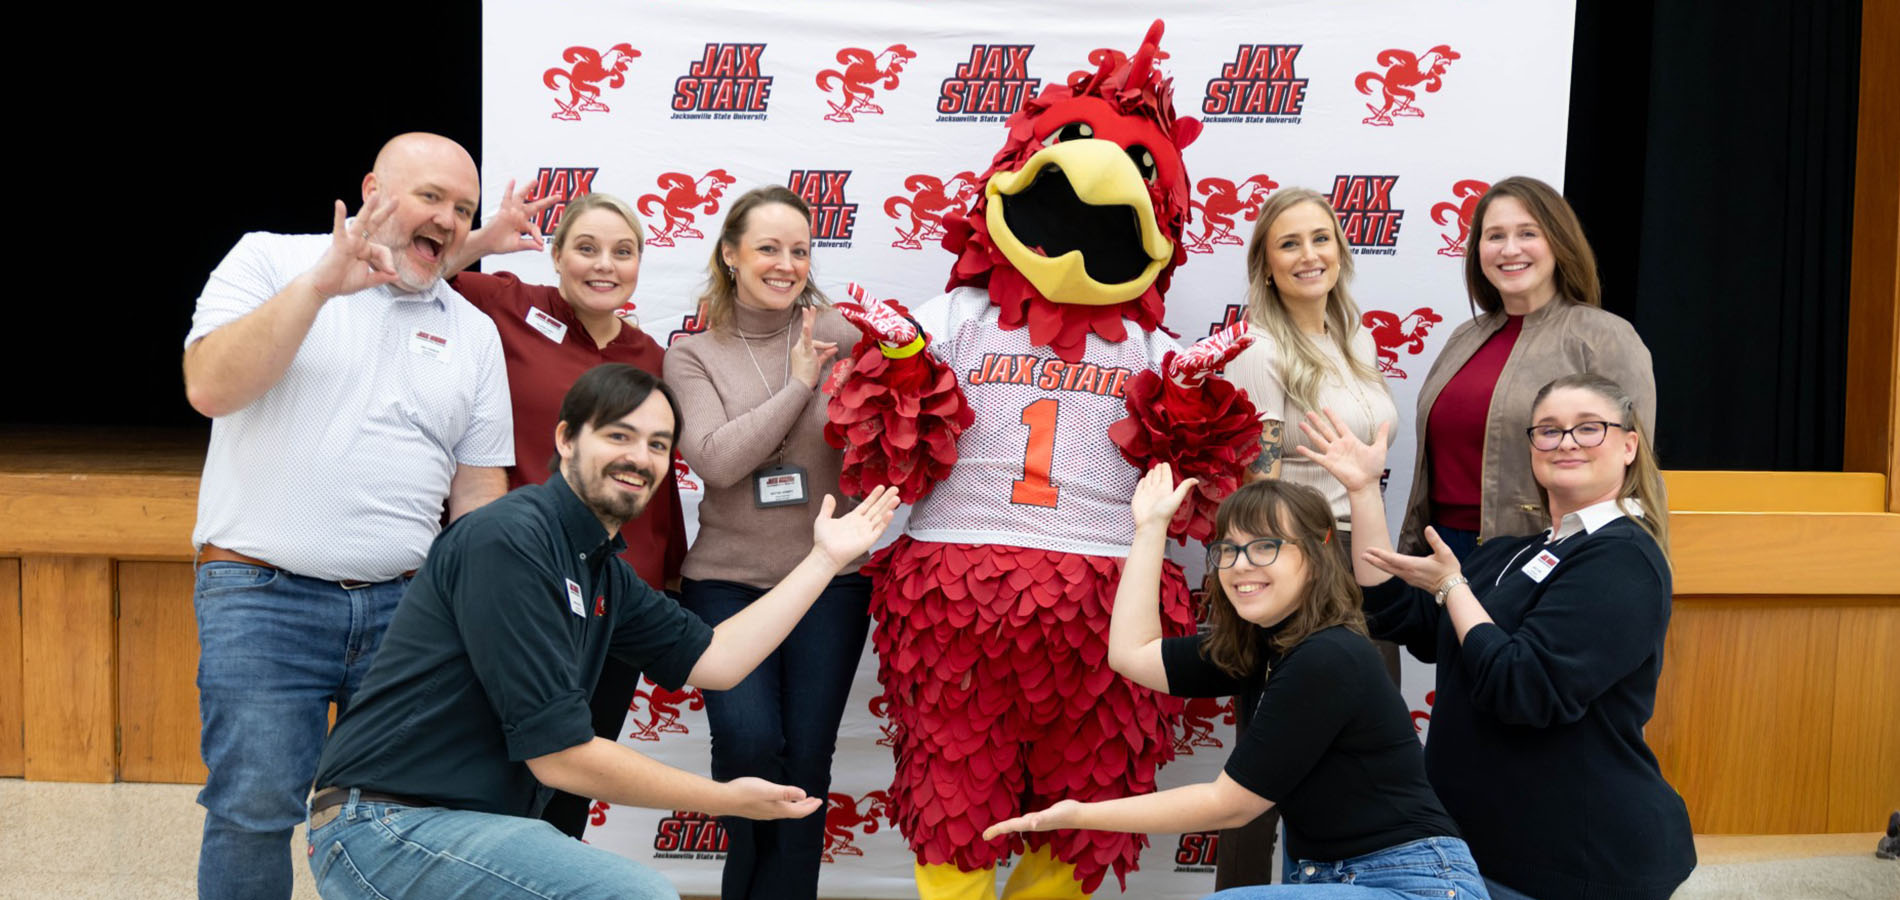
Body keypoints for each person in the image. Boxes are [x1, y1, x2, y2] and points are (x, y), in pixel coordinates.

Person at [306, 363, 902, 900]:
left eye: (658, 445)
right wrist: (725, 799)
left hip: (473, 828)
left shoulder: (600, 570)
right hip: (386, 824)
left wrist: (824, 560)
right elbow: (561, 759)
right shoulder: (511, 540)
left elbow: (719, 659)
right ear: (566, 439)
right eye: (619, 435)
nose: (639, 458)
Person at [181, 132, 513, 900]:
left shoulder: (472, 331)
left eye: (463, 209)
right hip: (262, 598)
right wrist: (320, 288)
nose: (450, 218)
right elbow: (209, 388)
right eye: (431, 196)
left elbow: (476, 494)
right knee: (252, 811)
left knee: (404, 819)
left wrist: (476, 616)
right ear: (372, 189)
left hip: (409, 612)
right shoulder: (271, 261)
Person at [985, 466, 1484, 899]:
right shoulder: (1263, 648)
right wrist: (1151, 527)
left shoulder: (1330, 655)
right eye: (1228, 550)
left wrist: (1077, 814)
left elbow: (1231, 803)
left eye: (1265, 547)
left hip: (1413, 884)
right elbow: (1132, 655)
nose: (1241, 565)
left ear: (1317, 551)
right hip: (1330, 880)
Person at [1298, 373, 1695, 900]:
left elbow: (1523, 687)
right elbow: (1390, 609)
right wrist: (1365, 492)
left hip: (1578, 865)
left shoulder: (1624, 557)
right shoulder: (1513, 553)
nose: (1567, 441)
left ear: (1628, 445)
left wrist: (1451, 585)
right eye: (1549, 430)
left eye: (1588, 428)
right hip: (1483, 856)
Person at [444, 186, 690, 838]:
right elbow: (418, 271)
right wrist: (482, 241)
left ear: (639, 263)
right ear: (554, 256)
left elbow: (657, 489)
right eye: (585, 248)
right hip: (518, 587)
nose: (603, 264)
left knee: (573, 787)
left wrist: (668, 578)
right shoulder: (507, 305)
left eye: (622, 251)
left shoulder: (652, 358)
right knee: (493, 776)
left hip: (614, 599)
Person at [662, 185, 864, 900]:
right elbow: (715, 460)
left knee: (805, 761)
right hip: (726, 581)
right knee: (749, 746)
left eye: (800, 250)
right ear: (730, 254)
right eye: (768, 248)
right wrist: (799, 386)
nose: (785, 264)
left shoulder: (848, 336)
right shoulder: (692, 355)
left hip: (830, 584)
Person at [1216, 187, 1399, 888]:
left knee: (1359, 756)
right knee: (1264, 769)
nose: (1309, 255)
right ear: (1264, 264)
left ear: (1341, 249)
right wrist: (1271, 579)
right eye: (1289, 243)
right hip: (1297, 566)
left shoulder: (1356, 339)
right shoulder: (1259, 350)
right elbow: (1251, 489)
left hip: (1363, 556)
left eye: (1320, 238)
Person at [1400, 176, 1655, 560]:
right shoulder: (1463, 338)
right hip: (1440, 551)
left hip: (1547, 553)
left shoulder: (1606, 338)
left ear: (1558, 241)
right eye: (1495, 236)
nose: (1510, 249)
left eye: (1527, 233)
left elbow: (1638, 474)